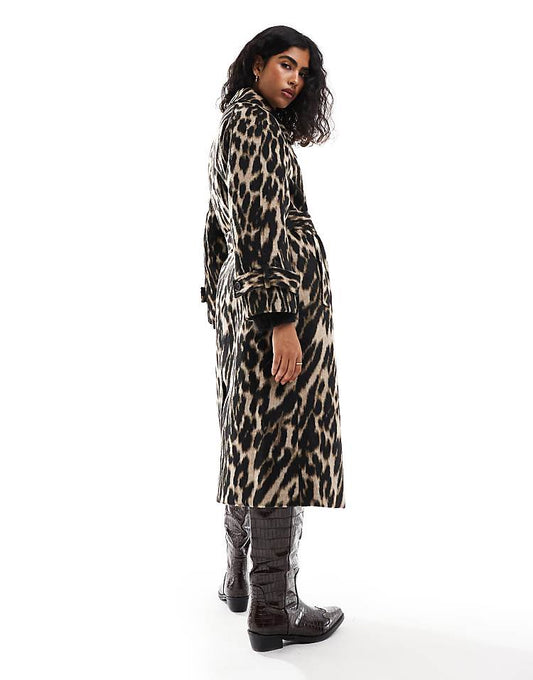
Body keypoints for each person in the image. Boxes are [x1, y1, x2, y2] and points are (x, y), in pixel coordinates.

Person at [201, 25, 346, 652]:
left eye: (303, 72)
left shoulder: (241, 124)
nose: (294, 79)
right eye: (286, 64)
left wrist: (226, 305)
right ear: (257, 64)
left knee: (249, 439)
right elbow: (259, 227)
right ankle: (274, 608)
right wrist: (281, 320)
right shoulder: (253, 125)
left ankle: (240, 582)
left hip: (247, 309)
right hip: (271, 314)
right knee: (278, 448)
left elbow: (218, 230)